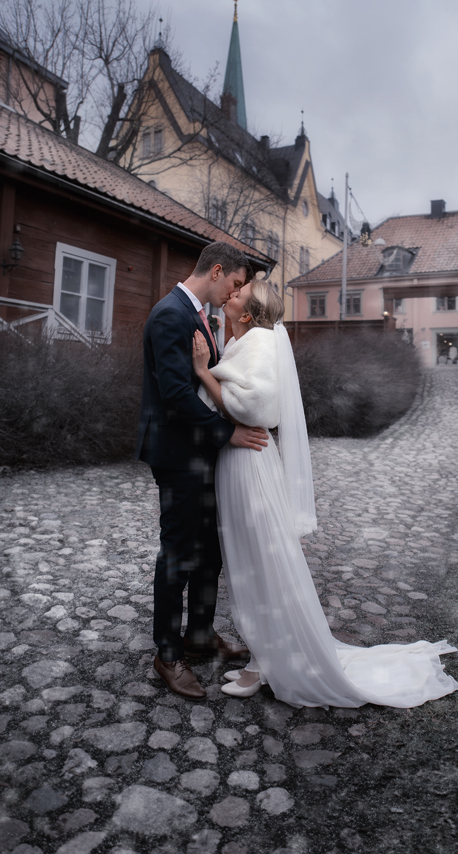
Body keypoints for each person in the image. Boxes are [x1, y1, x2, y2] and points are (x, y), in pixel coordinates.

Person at [192, 278, 458, 709]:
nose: (232, 291)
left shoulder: (258, 340)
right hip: (239, 460)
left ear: (246, 313)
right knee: (251, 560)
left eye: (239, 293)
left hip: (248, 463)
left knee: (261, 561)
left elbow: (258, 408)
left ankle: (268, 662)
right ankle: (265, 655)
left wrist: (205, 371)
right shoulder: (246, 339)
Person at [136, 241, 268, 700]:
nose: (235, 291)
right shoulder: (171, 313)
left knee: (208, 550)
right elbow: (175, 393)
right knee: (177, 555)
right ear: (216, 271)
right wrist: (226, 434)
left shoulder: (196, 314)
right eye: (234, 283)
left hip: (199, 452)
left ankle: (199, 635)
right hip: (177, 453)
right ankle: (168, 654)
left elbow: (204, 380)